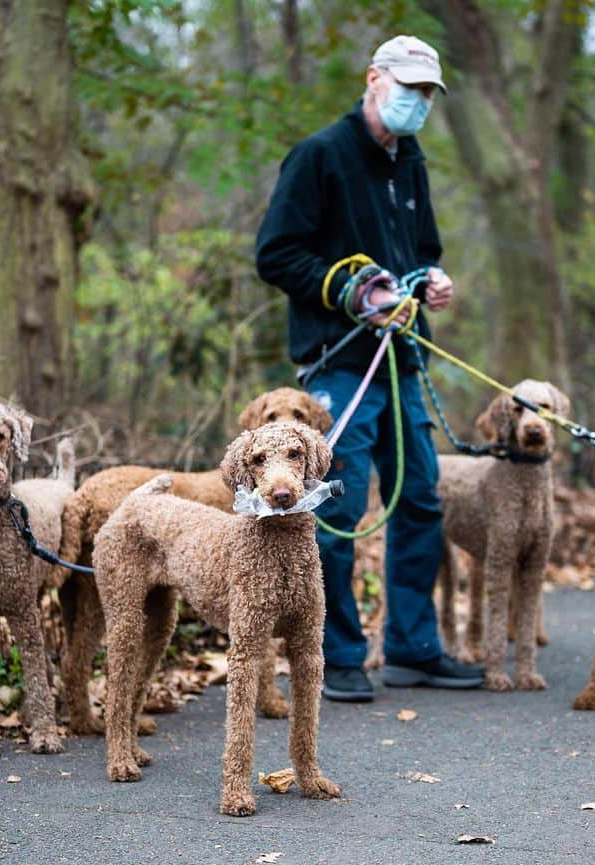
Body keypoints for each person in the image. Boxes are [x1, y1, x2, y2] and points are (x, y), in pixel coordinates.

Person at [255, 35, 484, 702]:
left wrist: (432, 280)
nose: (418, 103)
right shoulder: (320, 156)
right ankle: (338, 653)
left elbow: (425, 248)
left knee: (418, 499)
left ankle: (413, 647)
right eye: (408, 89)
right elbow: (276, 254)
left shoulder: (409, 164)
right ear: (374, 80)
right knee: (338, 507)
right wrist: (350, 290)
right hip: (339, 365)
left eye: (427, 95)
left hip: (403, 360)